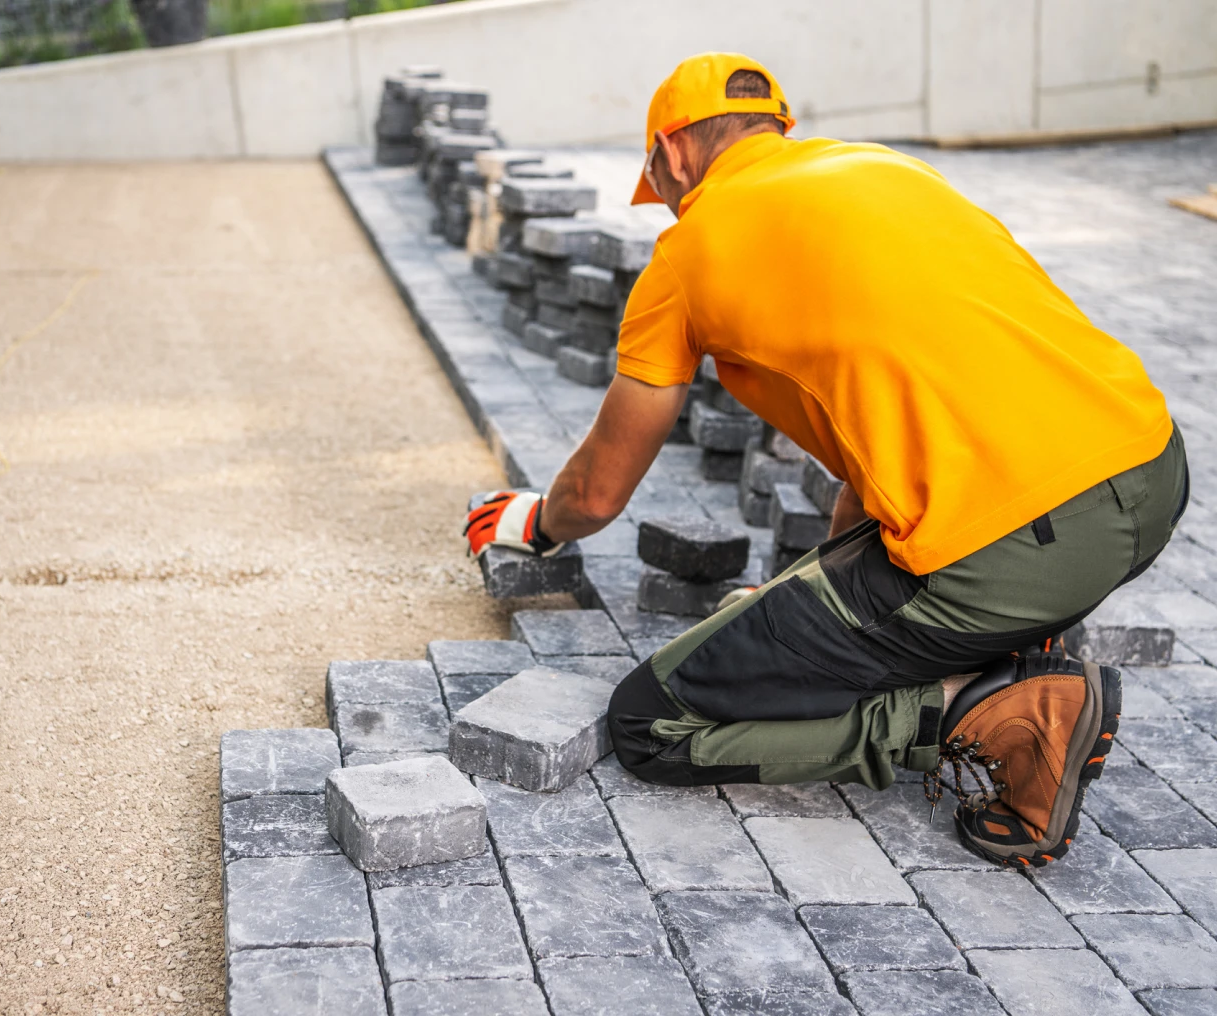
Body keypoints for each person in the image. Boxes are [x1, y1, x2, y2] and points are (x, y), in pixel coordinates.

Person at [464, 53, 1188, 868]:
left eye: (658, 187)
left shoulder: (689, 253)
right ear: (776, 129)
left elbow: (596, 494)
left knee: (650, 722)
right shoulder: (887, 172)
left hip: (1010, 549)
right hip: (1152, 472)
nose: (664, 205)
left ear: (671, 156)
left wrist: (537, 522)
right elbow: (873, 463)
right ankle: (1010, 646)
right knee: (857, 607)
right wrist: (802, 596)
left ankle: (987, 713)